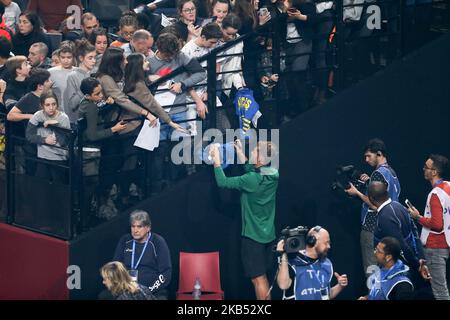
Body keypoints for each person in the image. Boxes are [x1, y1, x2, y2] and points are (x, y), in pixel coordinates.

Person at [210, 140, 279, 300]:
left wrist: (216, 160)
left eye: (254, 151)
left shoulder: (250, 180)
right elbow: (252, 168)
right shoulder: (274, 173)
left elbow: (223, 182)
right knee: (263, 278)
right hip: (268, 236)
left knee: (258, 279)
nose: (252, 152)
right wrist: (240, 152)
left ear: (260, 160)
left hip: (253, 237)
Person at [345, 138, 401, 277]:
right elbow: (386, 197)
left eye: (369, 156)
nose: (366, 160)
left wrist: (356, 193)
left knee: (372, 270)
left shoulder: (378, 173)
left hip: (372, 228)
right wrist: (370, 182)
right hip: (388, 227)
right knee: (388, 271)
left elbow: (375, 204)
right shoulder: (391, 172)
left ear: (379, 154)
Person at [368, 181, 431, 284]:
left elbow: (401, 245)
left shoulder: (385, 218)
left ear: (371, 198)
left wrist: (418, 265)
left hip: (399, 273)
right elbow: (415, 233)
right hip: (411, 263)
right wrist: (421, 258)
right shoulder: (398, 205)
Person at [408, 154, 450, 300]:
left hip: (435, 248)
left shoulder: (435, 194)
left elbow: (437, 225)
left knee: (440, 292)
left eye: (426, 167)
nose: (423, 169)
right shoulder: (449, 187)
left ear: (434, 172)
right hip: (444, 245)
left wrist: (417, 217)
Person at [276, 226, 348, 300]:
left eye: (329, 243)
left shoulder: (326, 263)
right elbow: (283, 285)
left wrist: (340, 286)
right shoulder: (293, 261)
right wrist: (283, 255)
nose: (328, 246)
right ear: (312, 241)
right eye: (326, 243)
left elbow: (326, 296)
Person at [113, 210, 172, 299]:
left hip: (152, 290)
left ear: (148, 228)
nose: (135, 230)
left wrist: (148, 291)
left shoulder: (157, 242)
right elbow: (116, 267)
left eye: (139, 226)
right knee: (104, 296)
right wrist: (123, 287)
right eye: (133, 226)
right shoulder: (125, 240)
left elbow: (166, 273)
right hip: (127, 289)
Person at [25, 91, 71, 183]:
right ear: (42, 105)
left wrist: (55, 126)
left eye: (54, 104)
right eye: (47, 105)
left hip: (59, 159)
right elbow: (29, 136)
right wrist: (44, 140)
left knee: (59, 188)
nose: (51, 108)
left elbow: (64, 142)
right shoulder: (38, 115)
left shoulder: (63, 118)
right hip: (42, 157)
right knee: (41, 187)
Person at [64, 39, 97, 122]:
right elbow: (72, 104)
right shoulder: (72, 76)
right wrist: (84, 89)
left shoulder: (95, 73)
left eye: (95, 57)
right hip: (80, 121)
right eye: (90, 58)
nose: (94, 61)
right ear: (81, 58)